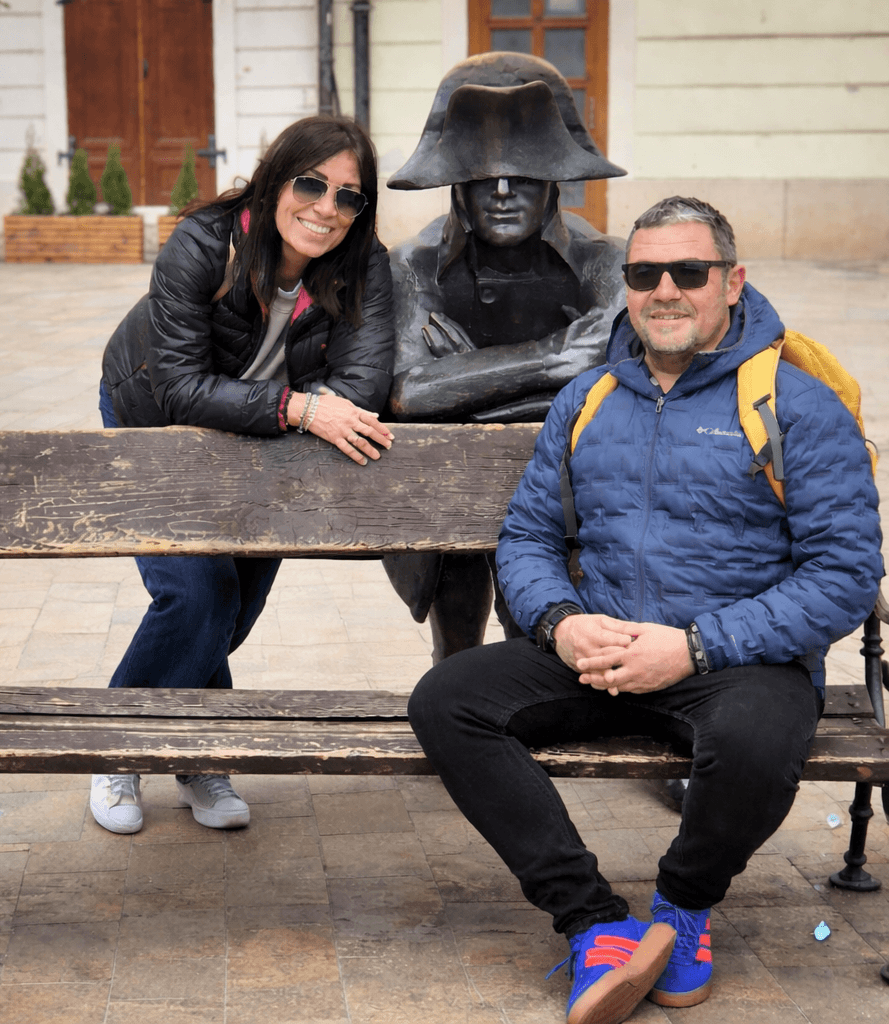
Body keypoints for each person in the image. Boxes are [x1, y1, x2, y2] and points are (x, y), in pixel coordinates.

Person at [407, 197, 882, 1024]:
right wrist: (560, 622)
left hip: (738, 664)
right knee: (448, 700)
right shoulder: (589, 398)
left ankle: (682, 910)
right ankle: (594, 923)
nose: (665, 290)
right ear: (625, 288)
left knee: (757, 738)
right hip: (604, 649)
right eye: (643, 274)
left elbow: (845, 574)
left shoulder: (797, 406)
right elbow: (525, 535)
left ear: (732, 283)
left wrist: (696, 647)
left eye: (689, 272)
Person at [93, 116, 395, 835]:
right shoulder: (202, 243)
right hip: (157, 423)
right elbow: (179, 385)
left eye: (348, 197)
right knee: (199, 590)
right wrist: (298, 405)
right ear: (273, 180)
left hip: (274, 440)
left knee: (235, 605)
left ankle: (195, 753)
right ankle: (117, 745)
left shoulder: (364, 263)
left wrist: (304, 412)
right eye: (312, 184)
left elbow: (364, 382)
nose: (327, 208)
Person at [381, 53, 627, 662]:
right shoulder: (414, 264)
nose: (500, 192)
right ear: (454, 183)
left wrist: (468, 384)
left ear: (554, 180)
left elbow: (619, 376)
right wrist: (555, 361)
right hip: (448, 489)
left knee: (538, 629)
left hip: (567, 490)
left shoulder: (605, 261)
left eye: (522, 176)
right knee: (457, 631)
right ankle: (456, 702)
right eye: (481, 177)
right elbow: (410, 394)